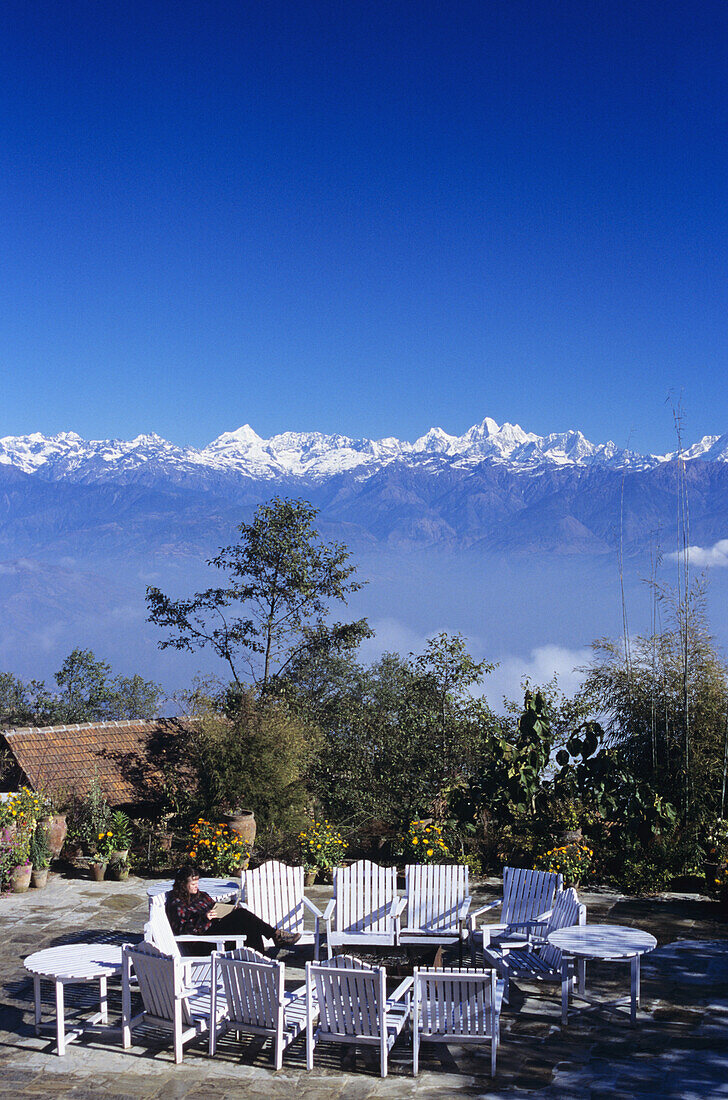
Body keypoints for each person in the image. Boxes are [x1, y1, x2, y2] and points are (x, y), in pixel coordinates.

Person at [165, 864, 300, 954]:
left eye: (197, 883)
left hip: (215, 932)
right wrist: (204, 918)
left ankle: (261, 958)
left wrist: (228, 908)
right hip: (202, 942)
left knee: (248, 925)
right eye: (193, 884)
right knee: (242, 916)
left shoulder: (201, 895)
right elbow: (182, 930)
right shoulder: (176, 903)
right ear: (183, 884)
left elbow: (214, 907)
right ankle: (275, 936)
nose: (196, 886)